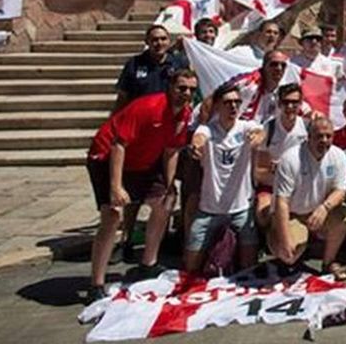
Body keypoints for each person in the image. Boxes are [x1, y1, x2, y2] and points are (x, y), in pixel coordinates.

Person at [86, 70, 197, 302]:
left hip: (145, 161)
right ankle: (96, 282)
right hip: (108, 157)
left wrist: (169, 184)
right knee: (112, 215)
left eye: (191, 90)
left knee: (164, 203)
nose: (186, 94)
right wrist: (116, 187)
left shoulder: (185, 114)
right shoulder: (148, 107)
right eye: (181, 88)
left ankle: (149, 262)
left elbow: (171, 151)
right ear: (170, 87)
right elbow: (119, 145)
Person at [185, 84, 264, 274]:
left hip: (241, 209)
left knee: (248, 267)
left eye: (237, 102)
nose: (233, 107)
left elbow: (259, 132)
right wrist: (196, 147)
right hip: (210, 210)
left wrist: (256, 138)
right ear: (218, 106)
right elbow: (199, 139)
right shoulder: (207, 129)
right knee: (190, 267)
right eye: (228, 102)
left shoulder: (246, 126)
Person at [269, 115, 346, 280]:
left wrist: (325, 207)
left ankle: (328, 263)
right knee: (288, 253)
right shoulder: (290, 158)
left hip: (317, 211)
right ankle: (280, 248)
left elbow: (340, 191)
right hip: (292, 213)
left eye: (328, 136)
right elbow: (282, 202)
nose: (324, 140)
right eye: (319, 136)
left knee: (344, 217)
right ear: (308, 137)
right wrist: (285, 240)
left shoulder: (338, 156)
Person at [254, 83, 309, 229]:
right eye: (286, 102)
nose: (290, 106)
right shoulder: (269, 128)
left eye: (294, 102)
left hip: (300, 185)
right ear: (279, 103)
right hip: (272, 185)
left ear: (301, 104)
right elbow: (259, 171)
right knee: (263, 213)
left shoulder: (307, 128)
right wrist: (275, 170)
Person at [114, 25, 190, 112]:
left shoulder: (179, 63)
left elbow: (187, 94)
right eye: (155, 40)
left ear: (169, 41)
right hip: (141, 117)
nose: (159, 43)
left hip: (169, 117)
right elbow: (123, 96)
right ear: (147, 42)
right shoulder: (134, 64)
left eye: (163, 39)